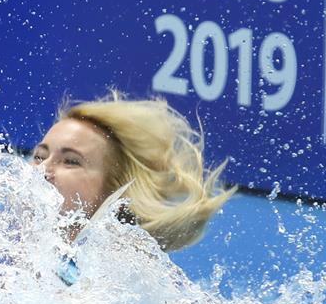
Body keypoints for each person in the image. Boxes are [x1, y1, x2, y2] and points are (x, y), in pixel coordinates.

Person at [30, 90, 235, 251]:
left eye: (71, 161)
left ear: (114, 193)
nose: (43, 169)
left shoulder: (131, 283)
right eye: (39, 156)